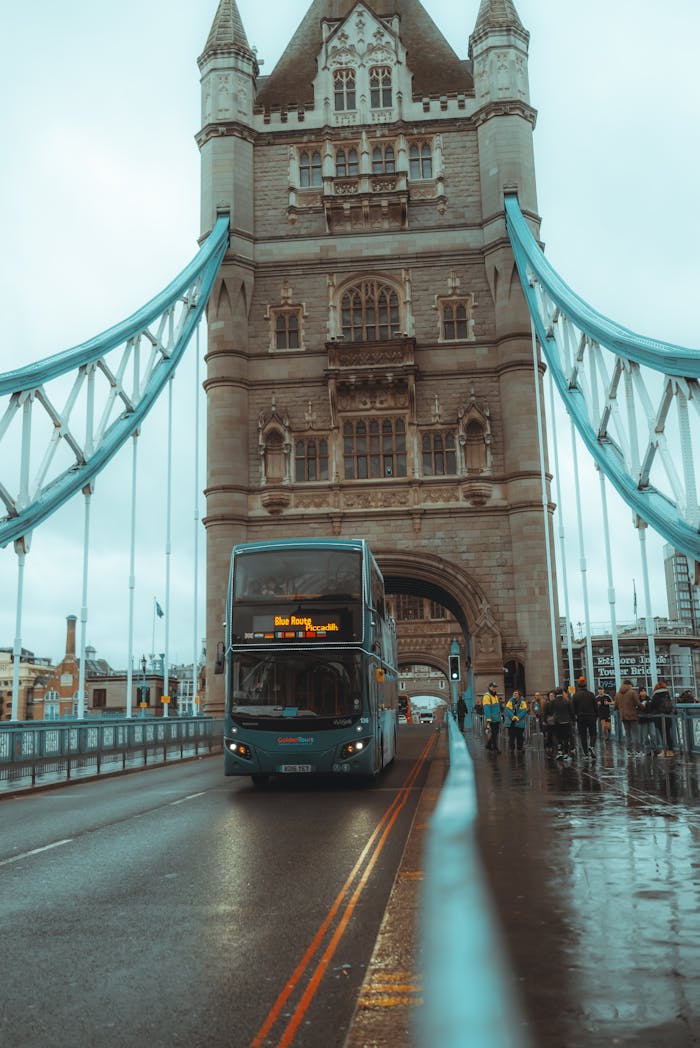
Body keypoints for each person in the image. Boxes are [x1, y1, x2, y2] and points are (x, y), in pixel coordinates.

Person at [614, 679, 643, 756]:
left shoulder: (618, 694)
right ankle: (638, 751)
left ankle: (629, 751)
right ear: (629, 685)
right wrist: (643, 707)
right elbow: (638, 703)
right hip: (632, 715)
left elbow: (615, 706)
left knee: (627, 734)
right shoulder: (632, 692)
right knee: (636, 734)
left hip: (623, 716)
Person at [571, 675, 597, 758]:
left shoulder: (575, 696)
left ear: (578, 686)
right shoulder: (591, 695)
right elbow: (595, 707)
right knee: (593, 733)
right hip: (591, 716)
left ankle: (586, 753)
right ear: (586, 686)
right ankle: (591, 746)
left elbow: (573, 708)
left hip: (580, 717)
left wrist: (575, 717)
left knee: (583, 735)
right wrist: (596, 715)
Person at [650, 680, 674, 757]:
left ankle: (665, 750)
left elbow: (652, 706)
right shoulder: (667, 694)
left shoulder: (656, 696)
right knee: (668, 734)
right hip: (668, 717)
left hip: (659, 718)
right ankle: (671, 751)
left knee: (663, 735)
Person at [552, 687, 573, 760]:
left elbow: (551, 711)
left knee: (559, 737)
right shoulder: (566, 701)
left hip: (557, 721)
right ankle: (566, 753)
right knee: (566, 738)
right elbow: (571, 711)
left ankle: (560, 751)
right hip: (566, 721)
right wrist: (572, 719)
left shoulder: (553, 701)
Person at [483, 682, 502, 753]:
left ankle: (488, 745)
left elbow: (497, 708)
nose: (494, 688)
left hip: (496, 718)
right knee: (494, 733)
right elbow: (487, 708)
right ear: (489, 687)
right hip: (492, 719)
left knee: (495, 733)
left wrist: (500, 717)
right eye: (493, 687)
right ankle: (495, 748)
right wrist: (488, 718)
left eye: (495, 687)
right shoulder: (487, 696)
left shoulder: (495, 696)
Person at [543, 689, 556, 755]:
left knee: (555, 734)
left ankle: (555, 746)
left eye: (553, 695)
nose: (551, 696)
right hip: (549, 721)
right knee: (549, 734)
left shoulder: (556, 702)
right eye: (550, 695)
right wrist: (544, 720)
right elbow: (545, 713)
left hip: (556, 721)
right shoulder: (547, 703)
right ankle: (549, 745)